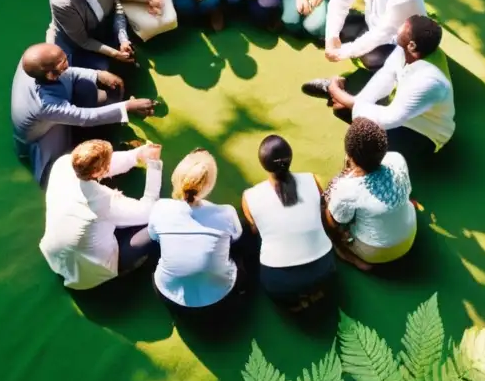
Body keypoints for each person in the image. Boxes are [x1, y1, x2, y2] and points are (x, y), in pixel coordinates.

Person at [306, 15, 455, 158]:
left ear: (412, 45)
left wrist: (339, 94)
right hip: (402, 114)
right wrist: (356, 100)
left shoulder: (429, 81)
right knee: (342, 109)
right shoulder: (410, 49)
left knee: (363, 138)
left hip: (424, 132)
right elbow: (386, 75)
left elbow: (391, 118)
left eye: (403, 27)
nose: (399, 28)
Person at [11, 43, 156, 187]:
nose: (67, 62)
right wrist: (127, 107)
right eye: (63, 62)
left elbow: (67, 73)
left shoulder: (36, 66)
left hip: (53, 109)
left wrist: (97, 74)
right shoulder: (46, 106)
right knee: (63, 170)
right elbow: (86, 117)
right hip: (44, 135)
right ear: (50, 75)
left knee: (87, 86)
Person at [40, 139, 164, 290]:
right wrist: (154, 164)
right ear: (99, 171)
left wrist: (137, 154)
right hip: (89, 272)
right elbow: (149, 209)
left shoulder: (62, 163)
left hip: (55, 256)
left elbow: (103, 167)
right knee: (158, 221)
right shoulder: (105, 202)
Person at [241, 135, 336, 312]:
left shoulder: (249, 197)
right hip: (324, 269)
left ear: (263, 164)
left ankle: (296, 304)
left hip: (279, 281)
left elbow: (255, 230)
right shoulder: (312, 180)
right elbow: (322, 211)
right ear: (290, 158)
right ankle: (316, 294)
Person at [147, 149, 246, 318]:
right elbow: (237, 237)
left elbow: (153, 236)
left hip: (170, 297)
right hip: (220, 299)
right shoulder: (226, 213)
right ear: (209, 185)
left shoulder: (160, 207)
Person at [323, 118, 417, 270]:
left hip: (376, 252)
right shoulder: (397, 159)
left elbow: (336, 222)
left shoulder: (347, 188)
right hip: (409, 236)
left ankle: (351, 257)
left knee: (328, 211)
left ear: (350, 156)